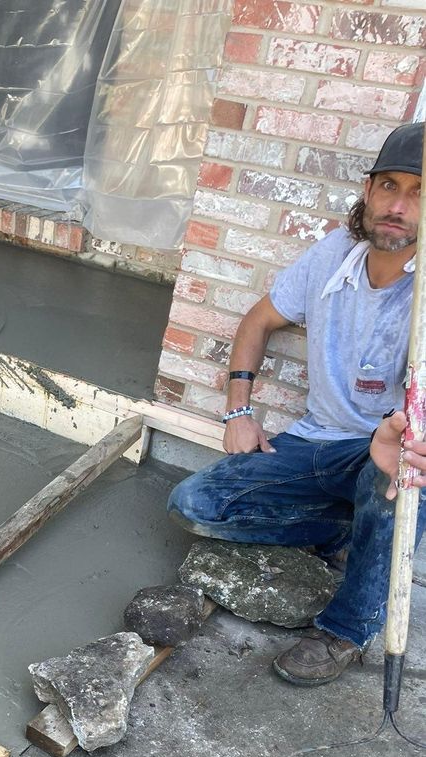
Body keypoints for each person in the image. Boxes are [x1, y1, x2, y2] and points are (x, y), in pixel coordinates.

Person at [168, 122, 425, 686]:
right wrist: (239, 410)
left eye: (419, 192)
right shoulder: (336, 252)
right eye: (388, 186)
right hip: (311, 442)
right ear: (369, 191)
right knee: (194, 503)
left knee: (402, 483)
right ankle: (341, 534)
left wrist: (401, 442)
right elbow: (259, 319)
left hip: (379, 451)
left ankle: (346, 629)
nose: (398, 205)